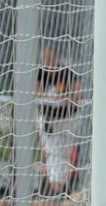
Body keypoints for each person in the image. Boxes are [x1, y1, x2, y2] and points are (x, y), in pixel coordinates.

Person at [35, 46, 82, 196]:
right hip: (47, 118)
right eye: (46, 60)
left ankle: (59, 186)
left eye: (51, 59)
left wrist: (67, 98)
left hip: (66, 119)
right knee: (49, 151)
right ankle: (52, 185)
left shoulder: (66, 72)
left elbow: (79, 92)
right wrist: (46, 97)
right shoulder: (40, 73)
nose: (49, 63)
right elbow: (35, 92)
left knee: (60, 152)